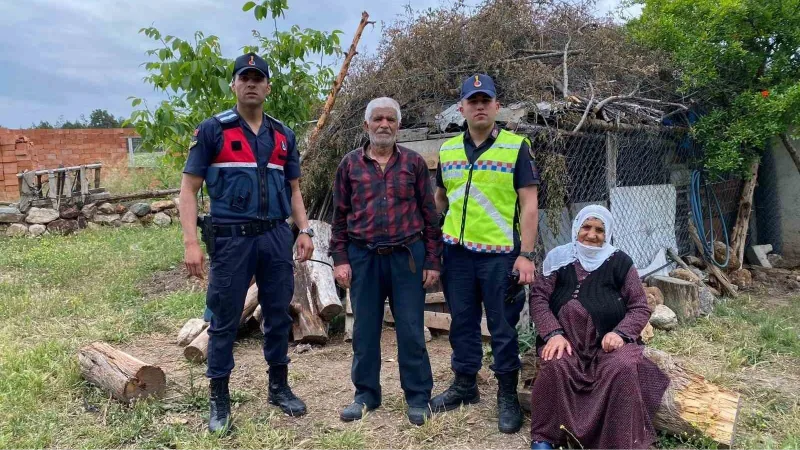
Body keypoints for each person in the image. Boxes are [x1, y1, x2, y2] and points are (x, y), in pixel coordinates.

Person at [178, 52, 314, 434]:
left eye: (259, 78)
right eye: (244, 77)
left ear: (268, 86)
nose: (252, 83)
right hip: (231, 241)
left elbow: (295, 190)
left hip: (274, 238)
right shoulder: (213, 131)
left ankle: (279, 387)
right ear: (234, 84)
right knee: (223, 321)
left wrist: (303, 230)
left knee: (276, 316)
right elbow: (188, 190)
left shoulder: (283, 135)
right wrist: (191, 242)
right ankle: (219, 398)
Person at [432, 74, 540, 434]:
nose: (479, 106)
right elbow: (441, 198)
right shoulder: (447, 150)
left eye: (485, 100)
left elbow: (529, 204)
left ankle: (507, 395)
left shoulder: (515, 147)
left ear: (496, 106)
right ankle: (465, 386)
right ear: (461, 108)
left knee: (503, 326)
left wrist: (525, 254)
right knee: (461, 322)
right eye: (472, 101)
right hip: (457, 255)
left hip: (499, 257)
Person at [330, 97, 442, 426]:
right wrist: (340, 259)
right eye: (377, 119)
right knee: (364, 331)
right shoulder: (349, 165)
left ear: (399, 126)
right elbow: (340, 218)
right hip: (363, 257)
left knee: (410, 330)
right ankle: (366, 395)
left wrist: (432, 261)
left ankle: (418, 397)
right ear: (366, 126)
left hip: (407, 257)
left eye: (390, 119)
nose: (384, 125)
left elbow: (430, 216)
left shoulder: (413, 164)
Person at [528, 205, 669, 450]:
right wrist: (553, 334)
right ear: (576, 229)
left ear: (608, 234)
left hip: (608, 346)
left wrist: (620, 333)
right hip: (567, 342)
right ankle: (545, 437)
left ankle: (617, 442)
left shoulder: (620, 262)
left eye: (600, 230)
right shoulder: (558, 259)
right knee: (554, 366)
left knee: (623, 369)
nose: (592, 235)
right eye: (586, 227)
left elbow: (639, 306)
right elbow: (539, 298)